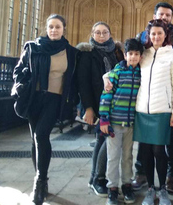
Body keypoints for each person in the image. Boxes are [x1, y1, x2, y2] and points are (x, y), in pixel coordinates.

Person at [12, 14, 79, 205]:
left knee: (41, 135)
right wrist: (23, 85)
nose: (54, 30)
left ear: (64, 28)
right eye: (51, 27)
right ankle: (41, 180)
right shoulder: (33, 47)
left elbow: (74, 79)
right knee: (36, 139)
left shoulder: (71, 52)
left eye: (57, 27)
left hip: (54, 99)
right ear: (46, 28)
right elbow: (18, 71)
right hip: (34, 98)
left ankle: (40, 182)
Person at [134, 2, 173, 193]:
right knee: (144, 149)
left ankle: (168, 178)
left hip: (164, 108)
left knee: (163, 147)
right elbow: (127, 65)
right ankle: (143, 176)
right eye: (161, 14)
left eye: (167, 15)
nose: (164, 17)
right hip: (143, 109)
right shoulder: (143, 51)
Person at [76, 22, 124, 197]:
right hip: (98, 103)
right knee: (104, 139)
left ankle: (94, 178)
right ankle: (98, 179)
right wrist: (88, 107)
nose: (101, 35)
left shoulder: (117, 52)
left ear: (110, 34)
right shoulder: (87, 54)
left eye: (105, 32)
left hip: (116, 103)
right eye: (97, 32)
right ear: (92, 33)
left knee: (102, 140)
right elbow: (83, 83)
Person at [100, 38, 144, 205]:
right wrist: (104, 119)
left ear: (140, 56)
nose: (133, 57)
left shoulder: (142, 73)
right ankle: (112, 188)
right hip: (115, 122)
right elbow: (106, 95)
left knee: (127, 156)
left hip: (131, 123)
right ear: (125, 55)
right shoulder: (116, 73)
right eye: (130, 54)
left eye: (136, 54)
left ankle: (126, 185)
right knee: (113, 157)